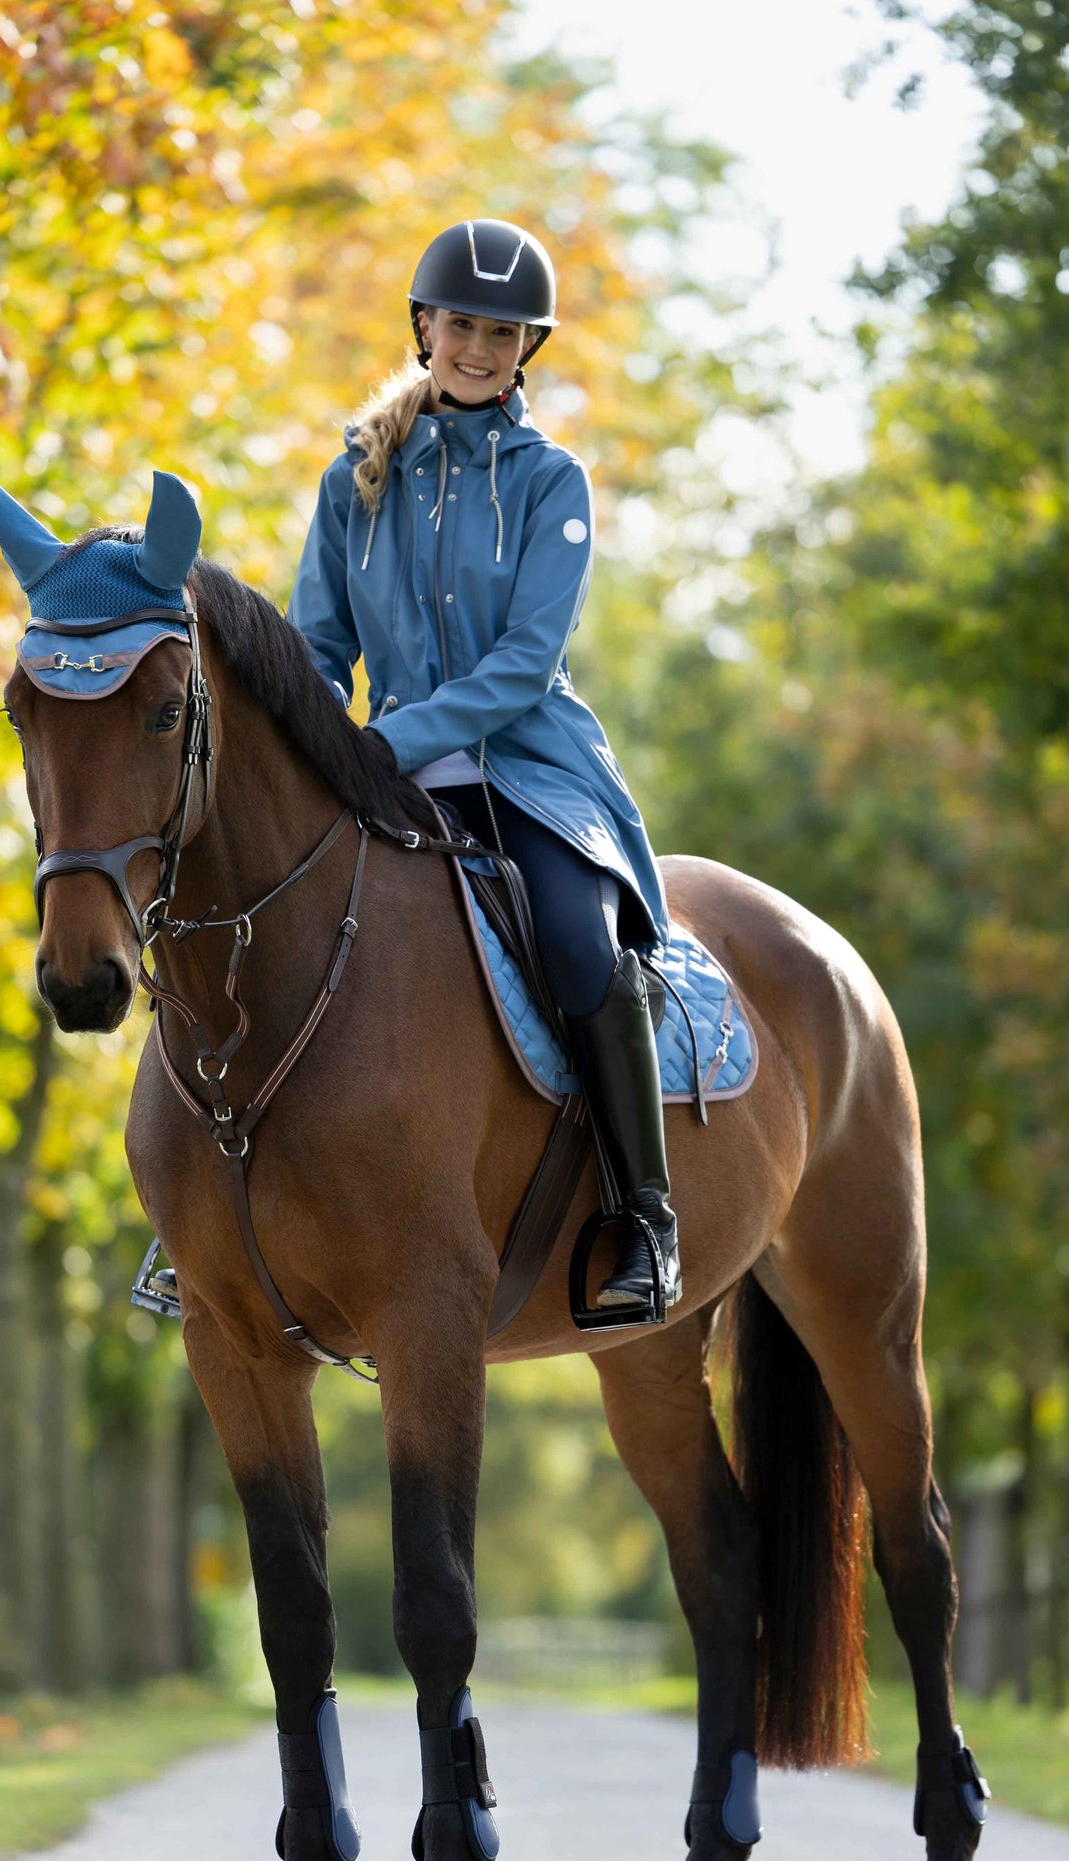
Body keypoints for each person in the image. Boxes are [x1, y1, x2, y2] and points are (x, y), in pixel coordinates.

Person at [289, 218, 680, 1318]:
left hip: (529, 776)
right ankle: (217, 1211)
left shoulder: (554, 482)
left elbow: (524, 666)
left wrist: (384, 744)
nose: (478, 347)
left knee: (579, 952)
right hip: (379, 781)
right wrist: (317, 741)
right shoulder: (354, 479)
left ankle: (648, 1221)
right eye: (462, 323)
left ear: (527, 350)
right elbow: (316, 646)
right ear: (424, 327)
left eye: (503, 333)